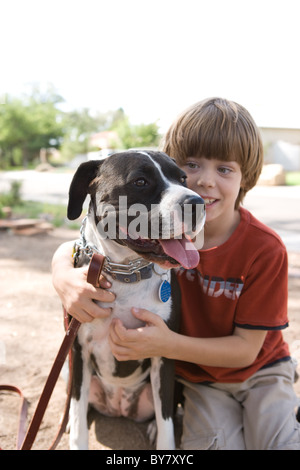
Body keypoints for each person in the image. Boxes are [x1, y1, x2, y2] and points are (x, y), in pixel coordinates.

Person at [52, 98, 300, 450]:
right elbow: (83, 244)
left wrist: (167, 344)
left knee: (279, 442)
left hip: (259, 372)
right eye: (191, 166)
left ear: (247, 177)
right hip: (200, 379)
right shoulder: (161, 239)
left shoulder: (263, 249)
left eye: (225, 169)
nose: (204, 182)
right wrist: (62, 274)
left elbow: (247, 352)